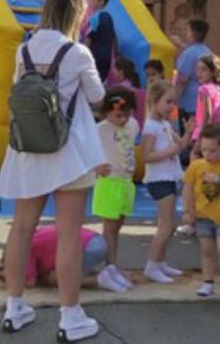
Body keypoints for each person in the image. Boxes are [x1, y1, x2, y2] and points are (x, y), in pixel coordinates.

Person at [0, 0, 106, 341]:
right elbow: (97, 97)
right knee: (69, 235)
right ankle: (70, 315)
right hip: (69, 152)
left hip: (27, 150)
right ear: (76, 15)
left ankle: (15, 306)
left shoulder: (24, 49)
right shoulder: (77, 53)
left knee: (21, 228)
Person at [182, 123, 220, 299]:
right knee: (207, 250)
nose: (207, 155)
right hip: (203, 215)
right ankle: (207, 282)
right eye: (204, 150)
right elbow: (187, 187)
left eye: (212, 150)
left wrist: (218, 179)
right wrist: (187, 210)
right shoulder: (197, 166)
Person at [141, 80, 191, 284]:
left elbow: (181, 145)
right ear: (154, 101)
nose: (172, 106)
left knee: (168, 224)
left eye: (174, 102)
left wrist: (188, 131)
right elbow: (145, 156)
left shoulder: (165, 124)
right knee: (166, 225)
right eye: (168, 101)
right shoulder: (151, 127)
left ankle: (160, 261)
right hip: (158, 179)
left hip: (169, 176)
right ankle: (151, 265)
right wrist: (170, 151)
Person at [93, 87, 140, 293]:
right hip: (109, 181)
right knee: (110, 227)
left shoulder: (132, 125)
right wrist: (95, 167)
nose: (123, 119)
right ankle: (109, 266)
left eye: (127, 115)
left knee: (118, 224)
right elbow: (86, 149)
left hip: (126, 181)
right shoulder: (101, 129)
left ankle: (112, 264)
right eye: (118, 115)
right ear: (106, 113)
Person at [14, 226, 113, 291]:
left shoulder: (25, 249)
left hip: (89, 248)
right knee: (66, 269)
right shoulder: (34, 233)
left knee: (55, 279)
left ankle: (99, 279)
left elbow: (30, 282)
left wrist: (6, 276)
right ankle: (118, 274)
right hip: (95, 239)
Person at [174, 19, 212, 128]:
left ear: (191, 33)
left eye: (187, 30)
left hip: (188, 104)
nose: (185, 33)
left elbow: (182, 79)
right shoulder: (207, 51)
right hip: (203, 102)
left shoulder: (188, 54)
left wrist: (174, 99)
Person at [189, 54, 220, 149]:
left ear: (213, 72)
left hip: (206, 133)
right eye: (197, 69)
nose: (199, 73)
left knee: (195, 157)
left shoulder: (204, 89)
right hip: (219, 133)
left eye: (204, 70)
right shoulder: (219, 89)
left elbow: (207, 115)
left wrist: (200, 138)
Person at [84, 0, 116, 82]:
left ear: (101, 1)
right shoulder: (109, 17)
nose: (90, 1)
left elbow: (88, 38)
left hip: (95, 56)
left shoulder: (95, 17)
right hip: (107, 57)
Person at [112, 57, 145, 125]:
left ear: (121, 71)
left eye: (114, 68)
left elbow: (115, 107)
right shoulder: (132, 86)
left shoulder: (119, 88)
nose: (112, 71)